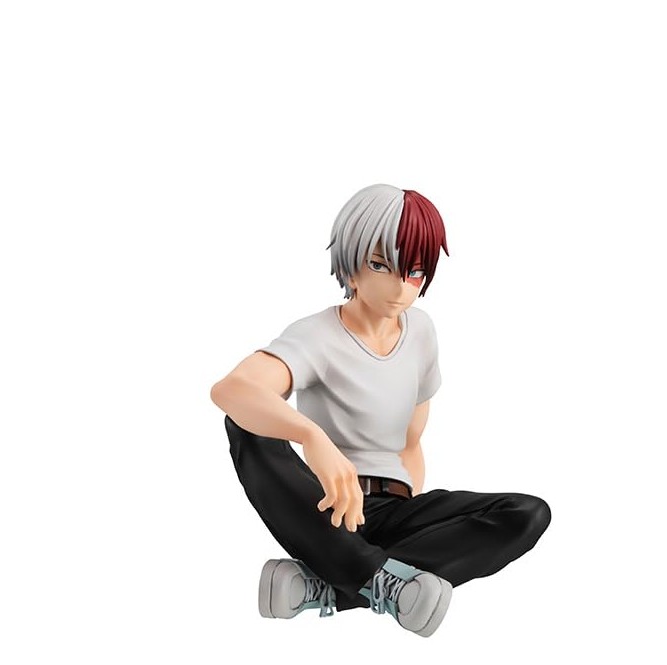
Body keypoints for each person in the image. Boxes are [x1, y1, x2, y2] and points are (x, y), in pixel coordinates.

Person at [210, 184, 551, 637]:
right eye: (380, 264)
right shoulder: (318, 335)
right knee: (247, 425)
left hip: (394, 511)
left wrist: (412, 521)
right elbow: (232, 389)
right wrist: (313, 437)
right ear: (351, 262)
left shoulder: (421, 331)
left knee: (527, 513)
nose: (399, 287)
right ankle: (376, 577)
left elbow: (411, 442)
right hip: (328, 509)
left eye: (414, 271)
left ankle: (342, 580)